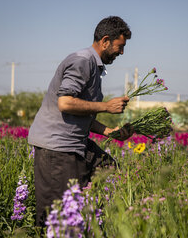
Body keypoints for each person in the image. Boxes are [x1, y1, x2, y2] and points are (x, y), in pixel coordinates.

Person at [28, 16, 133, 228]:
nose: (122, 52)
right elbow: (66, 103)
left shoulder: (94, 66)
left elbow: (81, 113)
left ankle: (93, 224)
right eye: (120, 46)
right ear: (105, 41)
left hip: (76, 144)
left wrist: (111, 131)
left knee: (108, 169)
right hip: (57, 148)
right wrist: (106, 106)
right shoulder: (82, 61)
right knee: (56, 218)